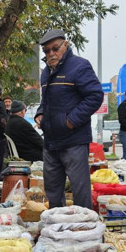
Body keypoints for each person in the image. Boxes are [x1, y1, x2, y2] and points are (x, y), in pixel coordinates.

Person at [35, 29, 103, 209]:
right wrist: (40, 114)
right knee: (52, 192)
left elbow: (95, 96)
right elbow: (46, 100)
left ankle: (85, 231)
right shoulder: (45, 72)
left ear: (65, 45)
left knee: (80, 191)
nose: (51, 54)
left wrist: (70, 121)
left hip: (74, 140)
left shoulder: (79, 66)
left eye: (55, 48)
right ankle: (57, 230)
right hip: (50, 141)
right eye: (47, 51)